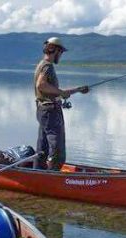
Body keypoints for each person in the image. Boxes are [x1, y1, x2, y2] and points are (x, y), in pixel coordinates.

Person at [33, 37, 89, 170]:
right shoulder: (47, 66)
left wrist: (78, 90)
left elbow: (56, 92)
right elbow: (41, 85)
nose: (61, 55)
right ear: (55, 50)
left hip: (43, 110)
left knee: (43, 149)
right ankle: (51, 180)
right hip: (50, 111)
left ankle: (37, 176)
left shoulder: (41, 64)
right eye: (61, 52)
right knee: (57, 151)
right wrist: (61, 92)